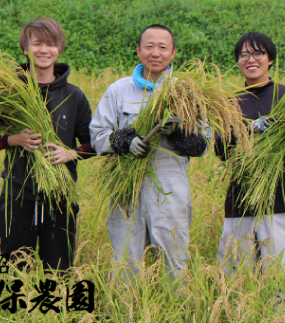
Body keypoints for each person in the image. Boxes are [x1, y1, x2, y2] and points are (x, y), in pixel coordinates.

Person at [90, 24, 210, 281]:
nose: (155, 53)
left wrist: (178, 135)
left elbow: (202, 144)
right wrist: (126, 141)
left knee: (174, 258)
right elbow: (98, 136)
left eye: (163, 47)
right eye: (149, 46)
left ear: (173, 53)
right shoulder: (118, 90)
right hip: (127, 184)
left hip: (170, 185)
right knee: (125, 259)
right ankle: (123, 313)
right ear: (139, 50)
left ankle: (176, 312)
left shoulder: (186, 94)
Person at [0, 17, 94, 272]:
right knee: (10, 270)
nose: (44, 50)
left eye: (50, 44)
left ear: (59, 49)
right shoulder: (6, 92)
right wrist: (12, 140)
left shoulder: (74, 96)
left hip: (61, 196)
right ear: (25, 48)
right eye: (37, 43)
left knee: (59, 270)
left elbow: (93, 143)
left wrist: (70, 153)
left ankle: (58, 311)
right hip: (17, 194)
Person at [215, 32, 285, 276]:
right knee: (236, 269)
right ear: (238, 61)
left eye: (258, 53)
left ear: (270, 59)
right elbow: (221, 150)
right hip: (241, 196)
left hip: (280, 193)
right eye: (244, 54)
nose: (250, 59)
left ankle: (282, 315)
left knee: (281, 270)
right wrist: (248, 130)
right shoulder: (229, 102)